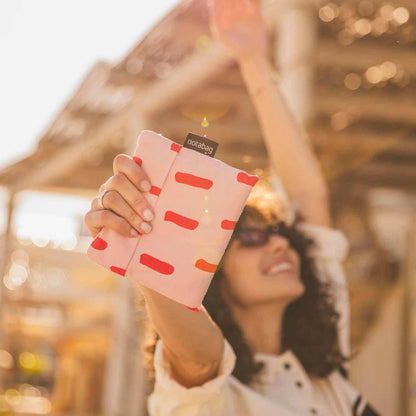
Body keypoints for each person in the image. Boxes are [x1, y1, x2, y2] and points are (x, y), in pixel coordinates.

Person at [84, 1, 381, 414]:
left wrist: (254, 59)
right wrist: (144, 239)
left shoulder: (323, 365)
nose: (281, 246)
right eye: (253, 238)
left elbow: (308, 197)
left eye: (281, 234)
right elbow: (200, 358)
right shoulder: (205, 397)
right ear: (210, 275)